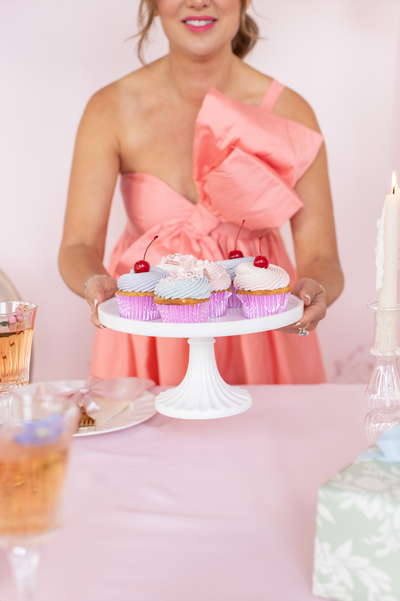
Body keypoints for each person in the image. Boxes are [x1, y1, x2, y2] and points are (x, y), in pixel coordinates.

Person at [59, 0, 344, 386]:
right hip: (148, 331)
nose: (198, 0)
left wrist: (315, 292)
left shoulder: (291, 112)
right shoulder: (110, 109)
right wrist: (96, 282)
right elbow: (77, 245)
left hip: (261, 336)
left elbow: (322, 256)